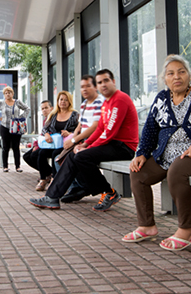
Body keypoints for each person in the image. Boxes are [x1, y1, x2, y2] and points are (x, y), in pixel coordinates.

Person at [125, 54, 191, 251]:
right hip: (165, 155)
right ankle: (147, 225)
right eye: (171, 73)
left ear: (189, 75)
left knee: (176, 172)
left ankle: (186, 230)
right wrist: (141, 153)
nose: (177, 77)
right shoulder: (161, 98)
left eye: (181, 72)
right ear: (164, 79)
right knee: (138, 172)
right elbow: (150, 129)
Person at [29, 69, 138, 212]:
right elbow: (100, 128)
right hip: (111, 144)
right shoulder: (106, 103)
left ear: (114, 82)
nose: (103, 85)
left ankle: (108, 192)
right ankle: (52, 197)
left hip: (123, 146)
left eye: (106, 80)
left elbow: (109, 132)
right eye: (100, 82)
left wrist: (86, 147)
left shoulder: (120, 99)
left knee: (81, 156)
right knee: (73, 155)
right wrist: (85, 143)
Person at [55, 75, 105, 203]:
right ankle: (76, 187)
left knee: (73, 156)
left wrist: (73, 140)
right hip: (82, 138)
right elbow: (80, 125)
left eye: (88, 86)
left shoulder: (100, 102)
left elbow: (95, 127)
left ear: (95, 87)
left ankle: (83, 187)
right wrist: (74, 138)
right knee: (58, 158)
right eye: (82, 86)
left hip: (94, 139)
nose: (85, 89)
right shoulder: (83, 104)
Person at [35, 91, 79, 191]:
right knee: (41, 153)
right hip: (54, 143)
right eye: (61, 99)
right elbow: (45, 128)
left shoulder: (75, 115)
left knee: (56, 154)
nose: (63, 102)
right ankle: (43, 178)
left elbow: (79, 130)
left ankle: (54, 180)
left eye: (66, 100)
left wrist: (69, 133)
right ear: (58, 101)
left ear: (69, 101)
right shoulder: (53, 114)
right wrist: (46, 134)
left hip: (67, 144)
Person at [0, 86, 30, 172]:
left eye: (9, 92)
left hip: (16, 127)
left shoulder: (17, 102)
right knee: (5, 147)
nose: (8, 94)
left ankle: (18, 166)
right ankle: (5, 166)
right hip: (5, 126)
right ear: (4, 95)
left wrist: (21, 117)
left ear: (12, 93)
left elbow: (27, 108)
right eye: (6, 93)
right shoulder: (1, 103)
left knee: (16, 147)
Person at [23, 100, 52, 171]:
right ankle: (48, 172)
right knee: (26, 156)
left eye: (46, 108)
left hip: (49, 144)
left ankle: (48, 173)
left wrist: (37, 146)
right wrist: (35, 145)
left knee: (34, 155)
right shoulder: (45, 120)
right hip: (42, 144)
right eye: (42, 108)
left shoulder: (53, 120)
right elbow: (42, 135)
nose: (44, 110)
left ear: (51, 108)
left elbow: (49, 135)